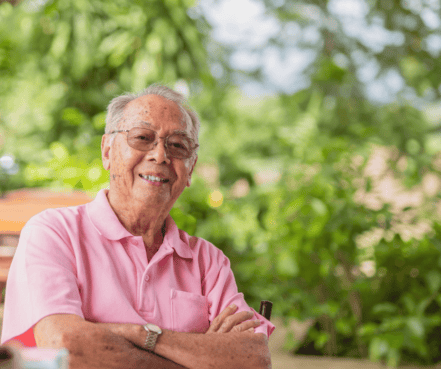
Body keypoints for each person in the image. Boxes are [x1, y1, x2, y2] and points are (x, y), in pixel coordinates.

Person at [1, 84, 274, 368]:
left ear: (190, 169)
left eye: (178, 145)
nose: (160, 155)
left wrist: (139, 336)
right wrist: (202, 352)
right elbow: (67, 347)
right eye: (143, 137)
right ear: (107, 151)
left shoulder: (209, 262)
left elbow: (253, 358)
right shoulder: (54, 233)